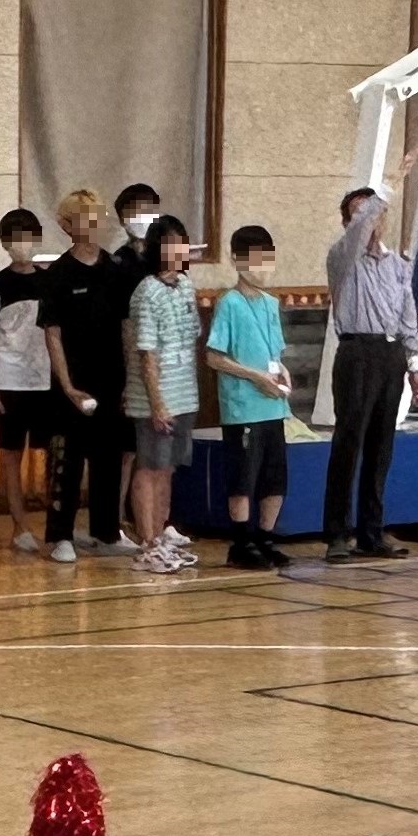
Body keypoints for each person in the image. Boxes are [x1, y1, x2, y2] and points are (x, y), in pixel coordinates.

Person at [323, 183, 418, 561]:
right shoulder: (342, 258)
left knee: (381, 447)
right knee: (348, 443)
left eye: (372, 212)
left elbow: (407, 317)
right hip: (356, 352)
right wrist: (390, 182)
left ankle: (372, 531)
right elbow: (357, 232)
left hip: (390, 356)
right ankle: (337, 534)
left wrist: (414, 367)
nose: (366, 218)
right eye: (356, 212)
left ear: (384, 219)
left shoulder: (399, 266)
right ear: (347, 221)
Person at [34, 190, 138, 562]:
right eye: (80, 219)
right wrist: (67, 386)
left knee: (108, 458)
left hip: (112, 379)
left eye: (95, 218)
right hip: (71, 386)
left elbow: (127, 327)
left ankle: (107, 531)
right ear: (66, 225)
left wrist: (130, 379)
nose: (89, 226)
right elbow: (52, 334)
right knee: (68, 461)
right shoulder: (58, 275)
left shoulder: (116, 270)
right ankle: (60, 535)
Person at [206, 226, 298, 570]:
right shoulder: (229, 303)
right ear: (237, 260)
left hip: (273, 404)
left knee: (275, 477)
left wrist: (281, 372)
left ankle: (265, 537)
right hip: (243, 406)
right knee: (243, 477)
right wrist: (254, 376)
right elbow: (214, 356)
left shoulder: (271, 304)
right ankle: (241, 542)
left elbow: (275, 351)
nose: (263, 267)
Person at [124, 216, 204, 573]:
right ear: (158, 249)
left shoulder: (186, 286)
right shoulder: (146, 292)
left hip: (185, 393)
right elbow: (147, 353)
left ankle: (163, 537)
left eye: (183, 242)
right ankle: (149, 543)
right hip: (155, 399)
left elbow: (191, 338)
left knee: (169, 468)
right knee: (150, 468)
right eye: (172, 243)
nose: (180, 250)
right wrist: (156, 402)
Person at [0, 209, 56, 554]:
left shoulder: (49, 281)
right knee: (12, 456)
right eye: (15, 238)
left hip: (46, 381)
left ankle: (57, 526)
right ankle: (19, 526)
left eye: (29, 236)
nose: (23, 245)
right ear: (5, 244)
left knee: (54, 452)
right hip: (10, 382)